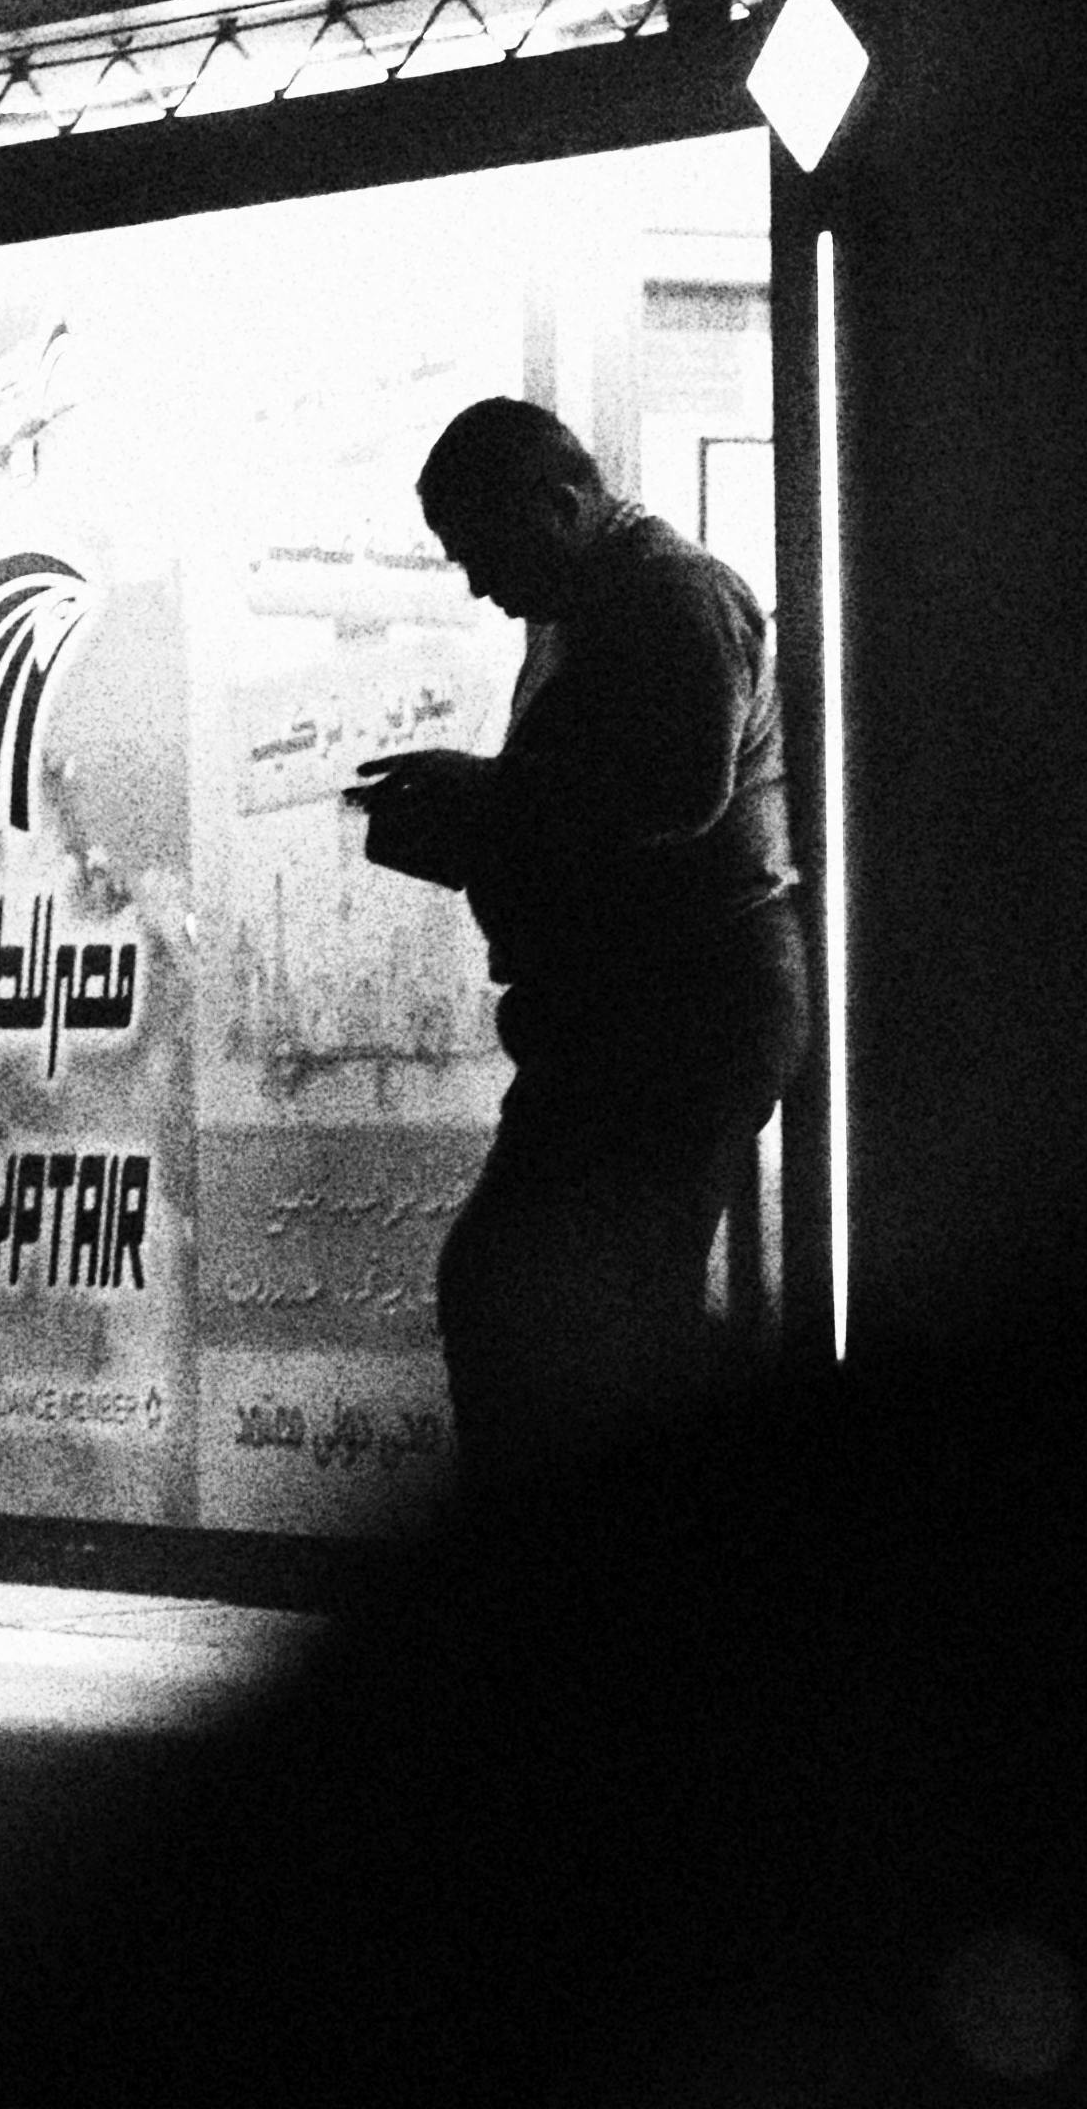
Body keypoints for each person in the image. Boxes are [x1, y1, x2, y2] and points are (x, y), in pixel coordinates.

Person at [347, 398, 805, 1496]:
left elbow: (668, 793)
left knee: (536, 1290)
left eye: (482, 552)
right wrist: (471, 813)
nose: (476, 586)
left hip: (678, 1017)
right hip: (633, 1021)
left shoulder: (672, 595)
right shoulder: (592, 606)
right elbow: (576, 810)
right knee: (592, 1301)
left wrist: (479, 797)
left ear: (559, 505)